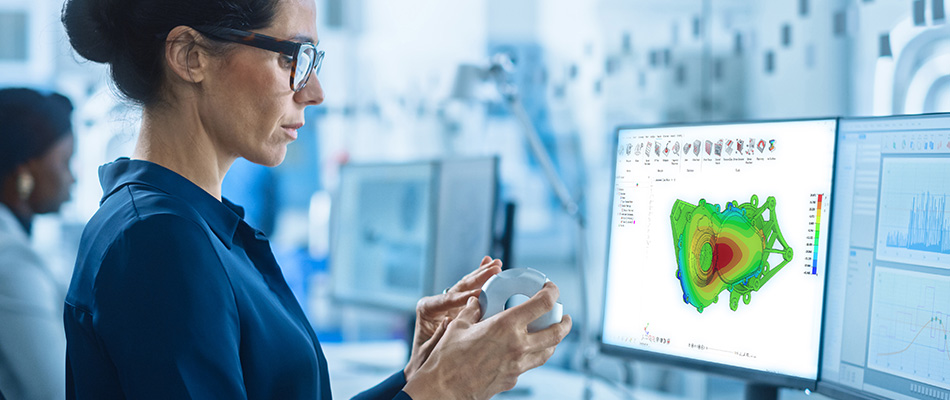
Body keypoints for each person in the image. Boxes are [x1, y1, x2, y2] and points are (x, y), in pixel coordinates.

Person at [60, 0, 572, 398]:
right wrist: (445, 390)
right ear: (190, 57)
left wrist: (418, 375)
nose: (315, 91)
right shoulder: (156, 243)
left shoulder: (188, 226)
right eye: (293, 57)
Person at [0, 88, 76, 400]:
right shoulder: (10, 261)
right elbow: (58, 392)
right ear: (25, 172)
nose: (72, 178)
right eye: (65, 162)